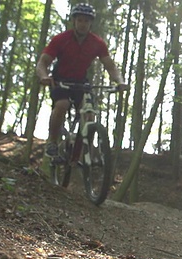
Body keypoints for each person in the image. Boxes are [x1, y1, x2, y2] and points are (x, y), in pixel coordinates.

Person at [35, 3, 127, 157]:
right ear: (74, 21)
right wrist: (44, 76)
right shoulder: (60, 39)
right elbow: (42, 62)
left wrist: (120, 81)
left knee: (89, 113)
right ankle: (51, 141)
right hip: (60, 80)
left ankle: (83, 151)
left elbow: (111, 66)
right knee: (62, 104)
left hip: (80, 81)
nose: (83, 24)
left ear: (91, 23)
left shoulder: (97, 43)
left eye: (86, 21)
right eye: (80, 20)